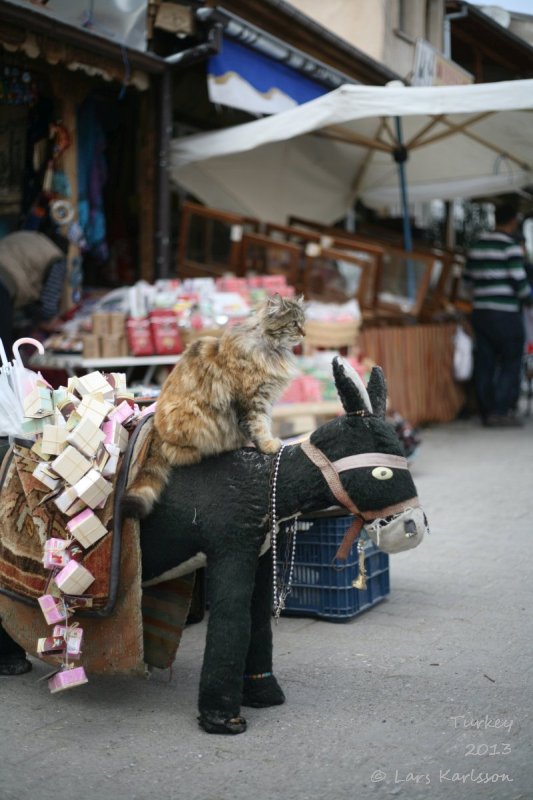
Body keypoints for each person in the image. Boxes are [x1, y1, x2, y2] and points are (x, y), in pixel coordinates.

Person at [463, 204, 533, 427]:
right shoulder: (511, 247)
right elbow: (520, 283)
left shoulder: (477, 245)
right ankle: (501, 411)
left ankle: (487, 411)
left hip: (481, 312)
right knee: (511, 360)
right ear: (512, 221)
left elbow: (466, 282)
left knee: (485, 361)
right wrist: (528, 300)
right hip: (506, 313)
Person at [0, 230, 67, 354]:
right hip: (3, 285)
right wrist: (50, 320)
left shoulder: (32, 237)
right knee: (2, 349)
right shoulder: (56, 257)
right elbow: (49, 303)